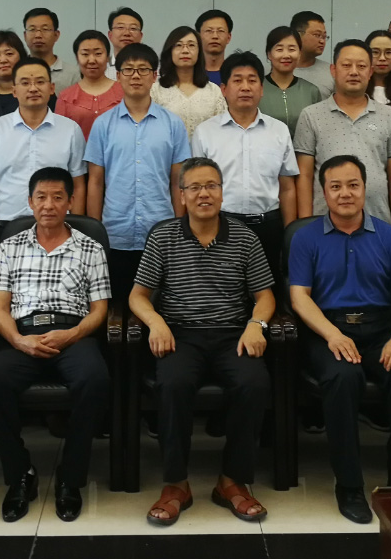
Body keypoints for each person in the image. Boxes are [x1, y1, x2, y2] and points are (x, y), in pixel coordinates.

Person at [130, 157, 276, 527]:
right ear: (181, 196)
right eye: (194, 187)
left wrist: (256, 325)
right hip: (181, 334)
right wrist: (156, 323)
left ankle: (232, 481)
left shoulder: (244, 237)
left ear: (222, 192)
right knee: (172, 384)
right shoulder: (163, 237)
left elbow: (265, 296)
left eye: (211, 185)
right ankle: (176, 484)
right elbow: (138, 296)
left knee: (254, 382)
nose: (204, 194)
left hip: (232, 333)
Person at [288, 155, 391, 523]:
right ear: (324, 192)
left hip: (382, 330)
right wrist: (332, 334)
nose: (345, 193)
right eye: (336, 186)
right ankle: (349, 485)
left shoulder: (390, 236)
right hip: (328, 330)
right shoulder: (305, 238)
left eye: (353, 185)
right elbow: (299, 297)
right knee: (343, 377)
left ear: (366, 188)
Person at [0, 167, 111, 524]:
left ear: (70, 202)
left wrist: (73, 334)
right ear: (30, 202)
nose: (48, 205)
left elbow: (100, 310)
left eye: (57, 197)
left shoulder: (91, 248)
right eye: (41, 197)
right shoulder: (10, 247)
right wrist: (18, 340)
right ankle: (21, 473)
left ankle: (71, 476)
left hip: (73, 333)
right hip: (23, 334)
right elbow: (0, 309)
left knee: (95, 379)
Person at [86, 43, 190, 304]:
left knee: (159, 307)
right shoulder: (103, 124)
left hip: (161, 232)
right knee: (116, 307)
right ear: (118, 75)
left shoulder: (173, 124)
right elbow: (95, 183)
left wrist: (180, 228)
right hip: (115, 233)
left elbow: (178, 183)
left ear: (154, 76)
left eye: (143, 69)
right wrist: (95, 232)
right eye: (128, 69)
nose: (135, 76)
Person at [0, 58, 87, 283]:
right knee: (4, 297)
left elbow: (79, 185)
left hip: (58, 227)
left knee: (57, 293)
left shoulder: (70, 130)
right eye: (25, 83)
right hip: (5, 227)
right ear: (14, 90)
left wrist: (75, 229)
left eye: (40, 82)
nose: (33, 88)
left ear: (52, 88)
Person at [192, 51, 299, 281]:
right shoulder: (205, 132)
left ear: (261, 89)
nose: (245, 87)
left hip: (269, 227)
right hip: (220, 226)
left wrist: (289, 233)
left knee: (269, 290)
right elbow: (197, 188)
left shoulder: (279, 131)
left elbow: (287, 187)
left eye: (252, 80)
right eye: (237, 80)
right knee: (222, 291)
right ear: (223, 89)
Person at [294, 39, 391, 230]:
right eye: (346, 65)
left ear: (370, 72)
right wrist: (306, 227)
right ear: (333, 70)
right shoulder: (311, 115)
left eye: (361, 66)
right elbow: (304, 175)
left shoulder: (389, 116)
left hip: (378, 223)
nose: (354, 72)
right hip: (324, 225)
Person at [149, 25, 227, 137]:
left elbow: (222, 131)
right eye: (178, 45)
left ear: (199, 52)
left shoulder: (213, 91)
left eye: (191, 45)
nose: (185, 51)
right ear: (170, 51)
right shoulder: (155, 91)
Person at [54, 30, 123, 139]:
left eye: (98, 54)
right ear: (77, 58)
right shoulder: (65, 97)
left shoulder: (124, 93)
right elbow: (60, 137)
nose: (91, 60)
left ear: (107, 57)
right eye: (85, 54)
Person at [260, 26, 323, 136]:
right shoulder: (257, 89)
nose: (286, 55)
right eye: (279, 49)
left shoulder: (311, 91)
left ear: (299, 54)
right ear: (269, 54)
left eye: (292, 49)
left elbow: (318, 130)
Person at [24, 7, 81, 91]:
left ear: (56, 35)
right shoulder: (17, 71)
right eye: (32, 29)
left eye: (45, 29)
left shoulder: (73, 74)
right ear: (25, 35)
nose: (38, 35)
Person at [290, 10, 334, 97]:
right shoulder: (274, 71)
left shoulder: (331, 72)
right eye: (317, 35)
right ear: (297, 35)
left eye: (324, 37)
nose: (322, 41)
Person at [105, 7, 145, 80]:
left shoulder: (151, 68)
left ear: (140, 36)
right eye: (120, 27)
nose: (127, 33)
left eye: (133, 28)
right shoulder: (100, 69)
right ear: (110, 35)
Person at [196, 9, 234, 84]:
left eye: (220, 31)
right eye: (209, 31)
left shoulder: (235, 74)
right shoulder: (189, 74)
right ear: (198, 37)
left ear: (228, 37)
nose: (215, 36)